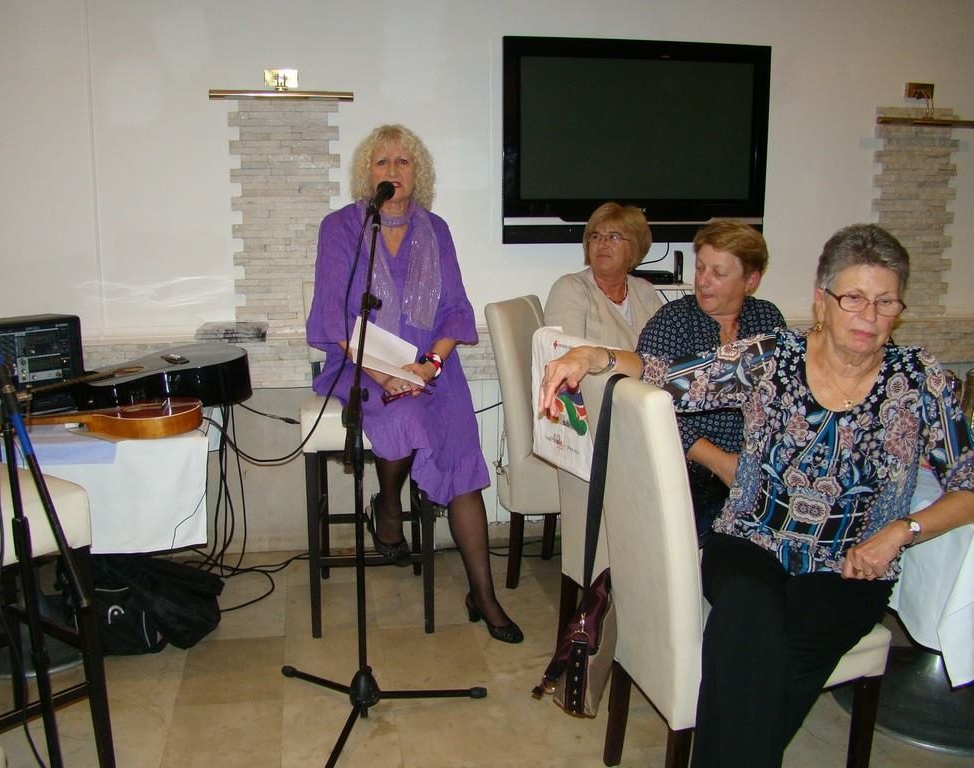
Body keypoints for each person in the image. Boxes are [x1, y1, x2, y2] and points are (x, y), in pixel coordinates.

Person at [539, 223, 974, 766]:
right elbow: (665, 374)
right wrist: (593, 357)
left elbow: (968, 485)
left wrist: (901, 532)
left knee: (758, 653)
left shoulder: (919, 381)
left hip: (848, 567)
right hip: (749, 540)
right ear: (822, 300)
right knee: (747, 617)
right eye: (854, 298)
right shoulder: (772, 358)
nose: (869, 315)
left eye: (885, 302)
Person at [306, 124, 522, 644]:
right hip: (362, 366)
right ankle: (388, 506)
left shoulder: (436, 229)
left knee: (462, 459)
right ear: (368, 173)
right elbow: (334, 317)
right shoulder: (341, 228)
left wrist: (429, 365)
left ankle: (484, 595)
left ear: (417, 172)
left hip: (430, 369)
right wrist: (385, 373)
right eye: (382, 162)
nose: (393, 171)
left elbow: (455, 310)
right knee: (402, 415)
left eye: (403, 162)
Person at [636, 220, 785, 538]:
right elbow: (647, 407)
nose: (703, 281)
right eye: (701, 268)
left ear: (751, 280)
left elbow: (780, 400)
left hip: (753, 465)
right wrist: (720, 462)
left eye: (718, 273)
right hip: (688, 470)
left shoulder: (767, 319)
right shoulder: (673, 322)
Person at [544, 202, 662, 348]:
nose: (602, 243)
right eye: (595, 236)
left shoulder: (645, 290)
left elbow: (667, 350)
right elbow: (569, 356)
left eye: (613, 237)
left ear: (634, 248)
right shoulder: (570, 289)